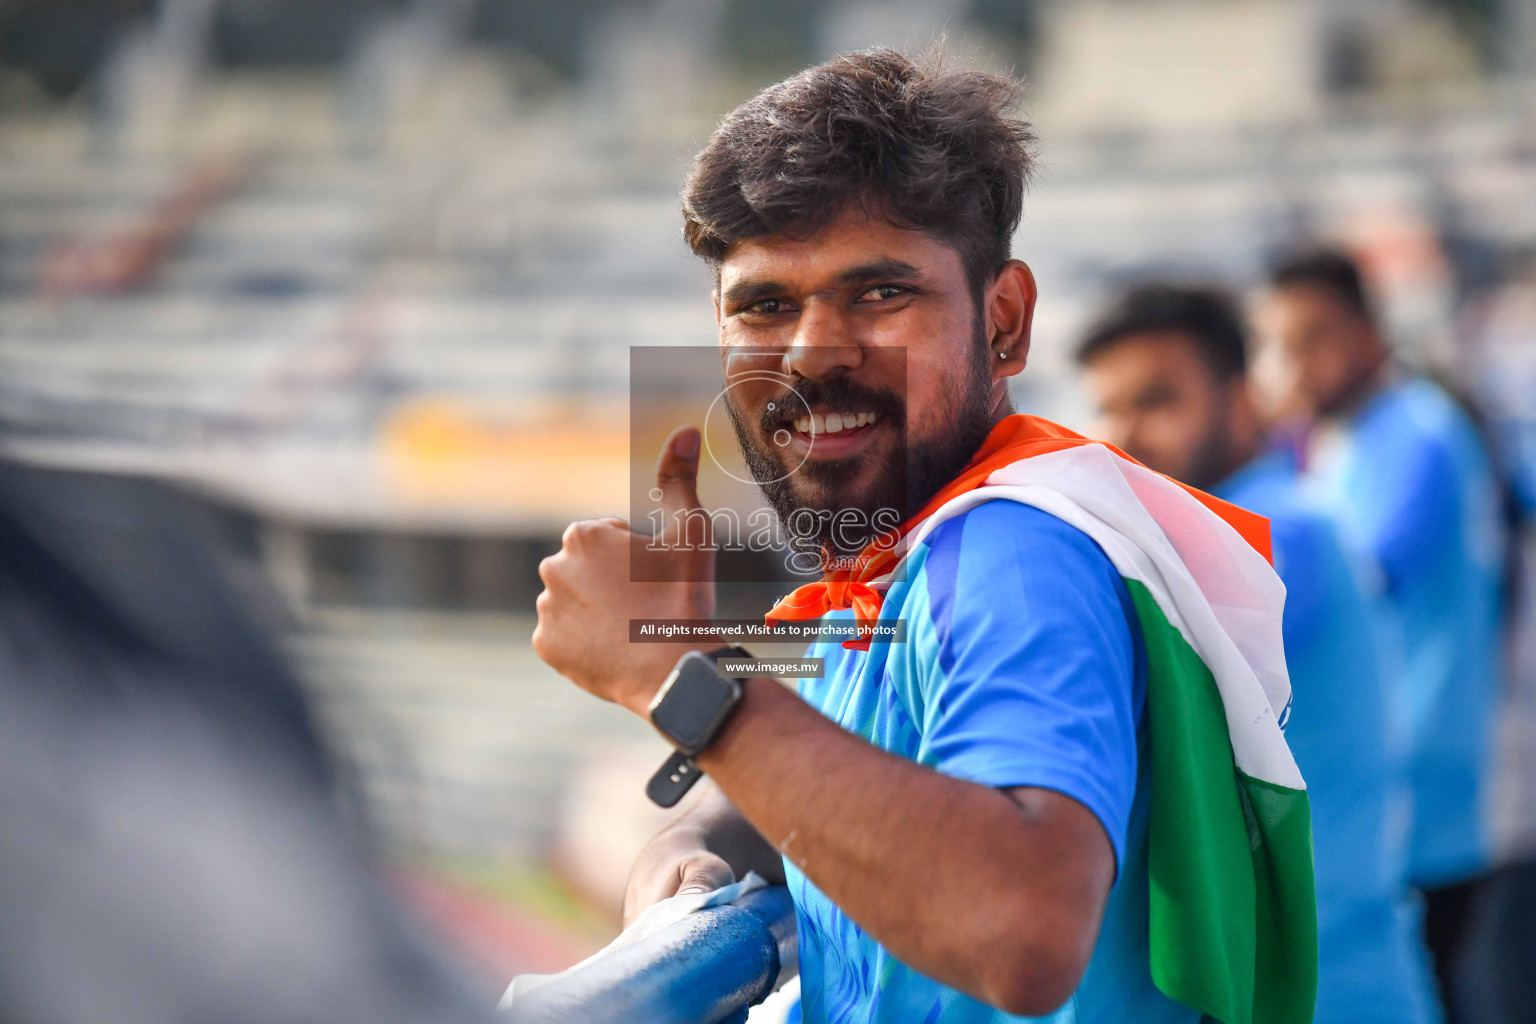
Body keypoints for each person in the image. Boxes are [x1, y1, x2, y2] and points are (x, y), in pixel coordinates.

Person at [532, 51, 1316, 1024]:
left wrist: (678, 678)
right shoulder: (901, 561)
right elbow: (818, 790)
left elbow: (1024, 925)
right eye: (765, 305)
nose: (813, 351)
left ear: (1004, 321)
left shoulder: (1014, 555)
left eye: (879, 293)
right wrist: (687, 855)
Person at [1075, 283, 1442, 1024]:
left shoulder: (1279, 530)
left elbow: (1088, 659)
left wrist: (782, 659)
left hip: (1327, 991)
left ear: (1240, 399)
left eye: (1157, 400)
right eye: (1107, 408)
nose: (1123, 435)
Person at [1254, 250, 1506, 1021]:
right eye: (1281, 346)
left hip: (1428, 792)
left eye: (1315, 339)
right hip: (1400, 788)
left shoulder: (1414, 435)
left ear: (1369, 332)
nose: (1296, 366)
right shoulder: (1350, 435)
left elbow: (1357, 584)